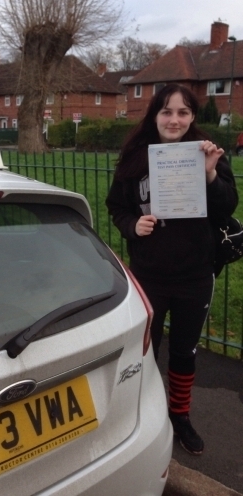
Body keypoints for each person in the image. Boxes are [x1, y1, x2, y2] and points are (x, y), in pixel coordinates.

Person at [105, 83, 238, 455]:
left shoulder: (206, 152)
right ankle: (145, 409)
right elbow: (116, 206)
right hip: (149, 273)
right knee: (148, 348)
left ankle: (180, 414)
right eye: (166, 111)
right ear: (155, 115)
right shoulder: (136, 156)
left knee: (183, 351)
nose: (174, 119)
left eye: (183, 112)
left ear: (193, 116)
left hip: (195, 275)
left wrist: (211, 174)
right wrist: (133, 225)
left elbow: (226, 206)